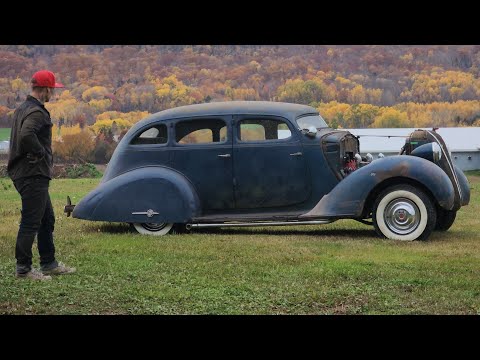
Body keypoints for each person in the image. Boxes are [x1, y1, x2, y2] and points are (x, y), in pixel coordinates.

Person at [7, 70, 76, 281]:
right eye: (52, 90)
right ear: (45, 89)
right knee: (31, 222)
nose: (53, 94)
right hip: (32, 173)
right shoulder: (37, 112)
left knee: (46, 218)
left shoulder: (22, 109)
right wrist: (39, 152)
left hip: (26, 173)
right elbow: (27, 134)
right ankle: (24, 269)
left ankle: (49, 263)